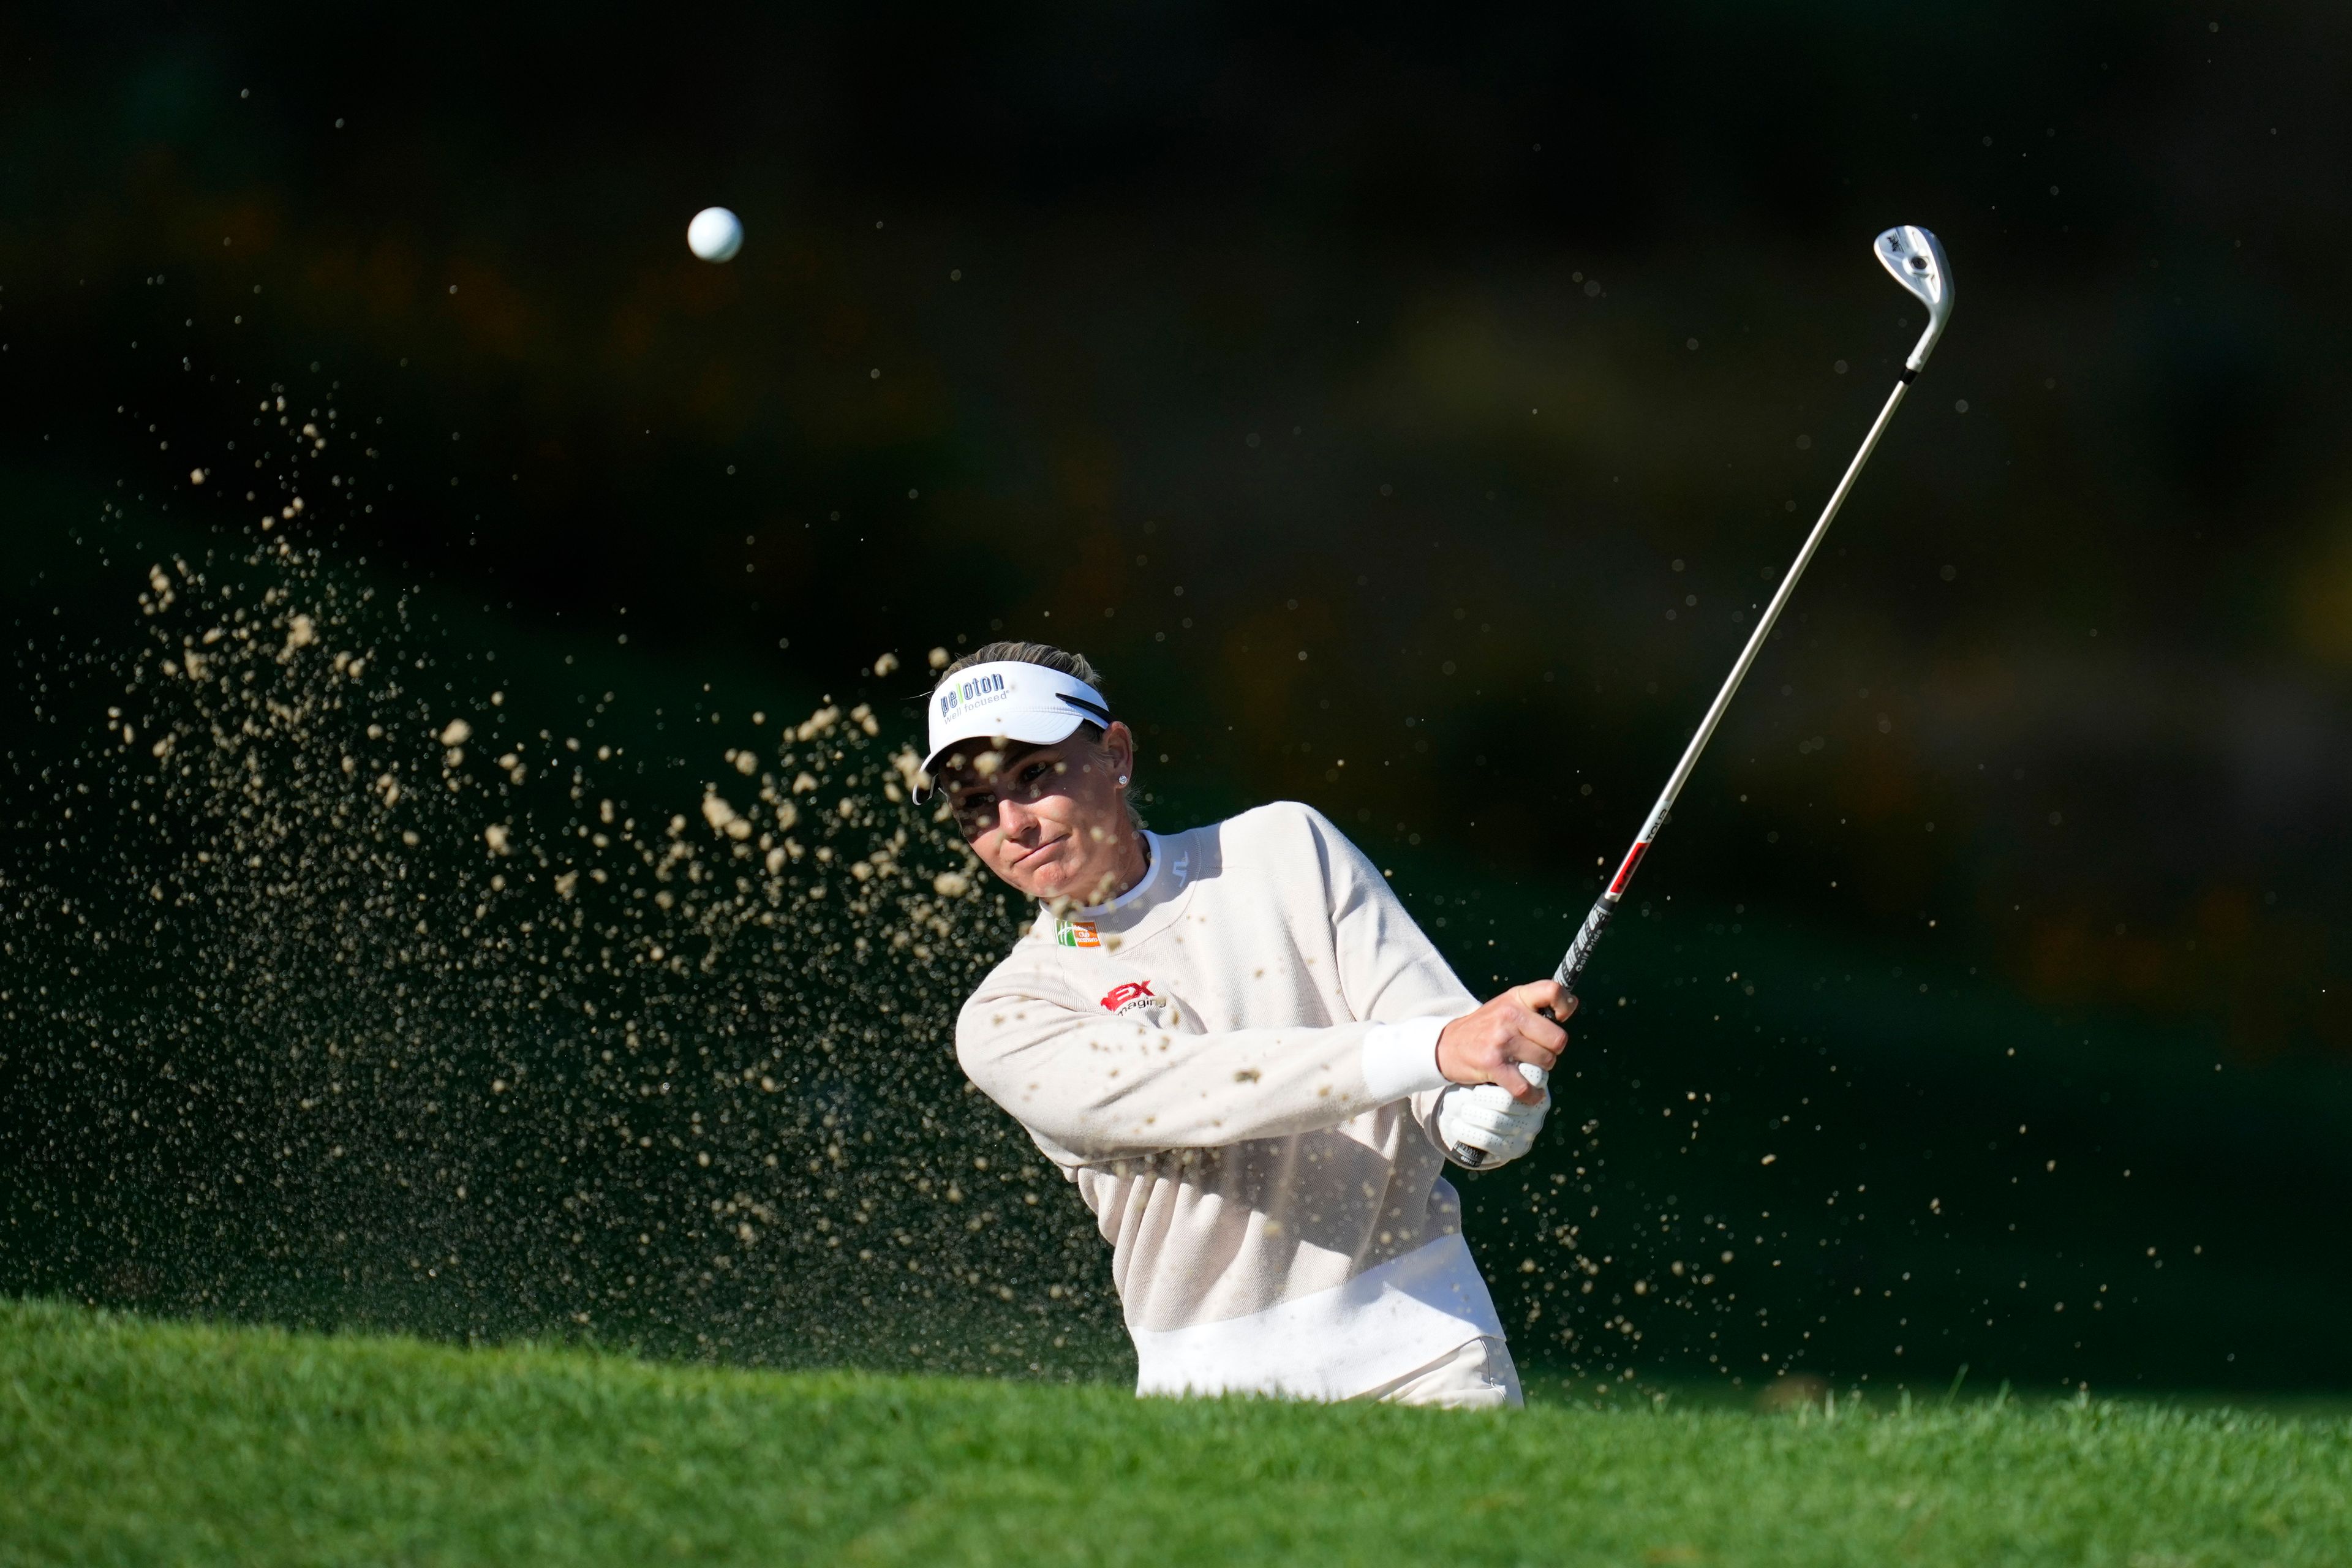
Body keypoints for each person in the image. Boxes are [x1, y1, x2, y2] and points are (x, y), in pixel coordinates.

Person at [921, 642, 1571, 1408]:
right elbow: (1196, 1092)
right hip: (1206, 1396)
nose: (1014, 824)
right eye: (975, 807)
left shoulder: (1281, 849)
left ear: (1117, 753)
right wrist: (1434, 1052)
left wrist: (1484, 1105)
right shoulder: (1008, 1016)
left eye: (1035, 776)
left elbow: (1436, 1033)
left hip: (1428, 1355)